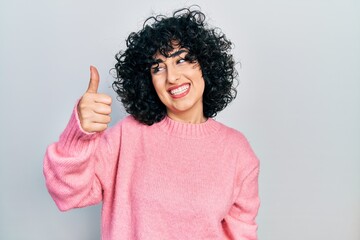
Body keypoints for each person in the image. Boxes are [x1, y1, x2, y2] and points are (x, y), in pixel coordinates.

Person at [43, 7, 260, 240]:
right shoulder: (128, 135)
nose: (172, 77)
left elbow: (242, 234)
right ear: (148, 81)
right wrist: (79, 134)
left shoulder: (237, 151)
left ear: (206, 65)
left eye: (183, 60)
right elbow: (67, 192)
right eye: (158, 67)